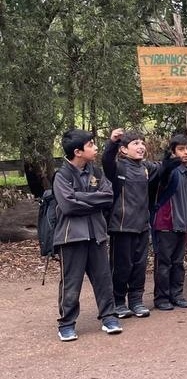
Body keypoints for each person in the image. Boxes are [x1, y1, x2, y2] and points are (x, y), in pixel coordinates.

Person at [53, 129, 120, 342]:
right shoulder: (61, 176)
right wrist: (91, 199)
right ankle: (67, 324)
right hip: (71, 237)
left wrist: (80, 196)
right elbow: (68, 205)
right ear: (78, 151)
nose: (96, 148)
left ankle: (109, 317)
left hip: (97, 234)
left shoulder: (97, 172)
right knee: (71, 282)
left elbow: (108, 197)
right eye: (91, 145)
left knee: (103, 279)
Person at [102, 128, 161, 319]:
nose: (141, 146)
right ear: (124, 150)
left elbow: (163, 169)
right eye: (136, 143)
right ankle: (118, 302)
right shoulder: (117, 167)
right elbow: (106, 160)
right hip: (121, 226)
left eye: (142, 143)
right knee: (121, 266)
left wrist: (174, 156)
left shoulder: (145, 168)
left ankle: (136, 301)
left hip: (142, 226)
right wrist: (112, 142)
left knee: (139, 265)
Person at [151, 133, 187, 311]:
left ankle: (176, 294)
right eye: (181, 149)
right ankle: (161, 298)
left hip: (182, 223)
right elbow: (162, 177)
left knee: (178, 262)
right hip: (165, 223)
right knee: (164, 262)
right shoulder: (170, 170)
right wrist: (168, 165)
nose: (185, 152)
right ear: (173, 151)